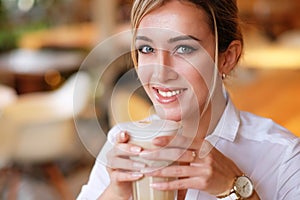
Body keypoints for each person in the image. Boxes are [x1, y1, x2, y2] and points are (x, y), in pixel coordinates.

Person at [77, 0, 300, 199]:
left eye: (183, 48)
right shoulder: (122, 145)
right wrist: (116, 194)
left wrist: (234, 188)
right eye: (147, 49)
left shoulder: (284, 157)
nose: (160, 73)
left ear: (227, 58)